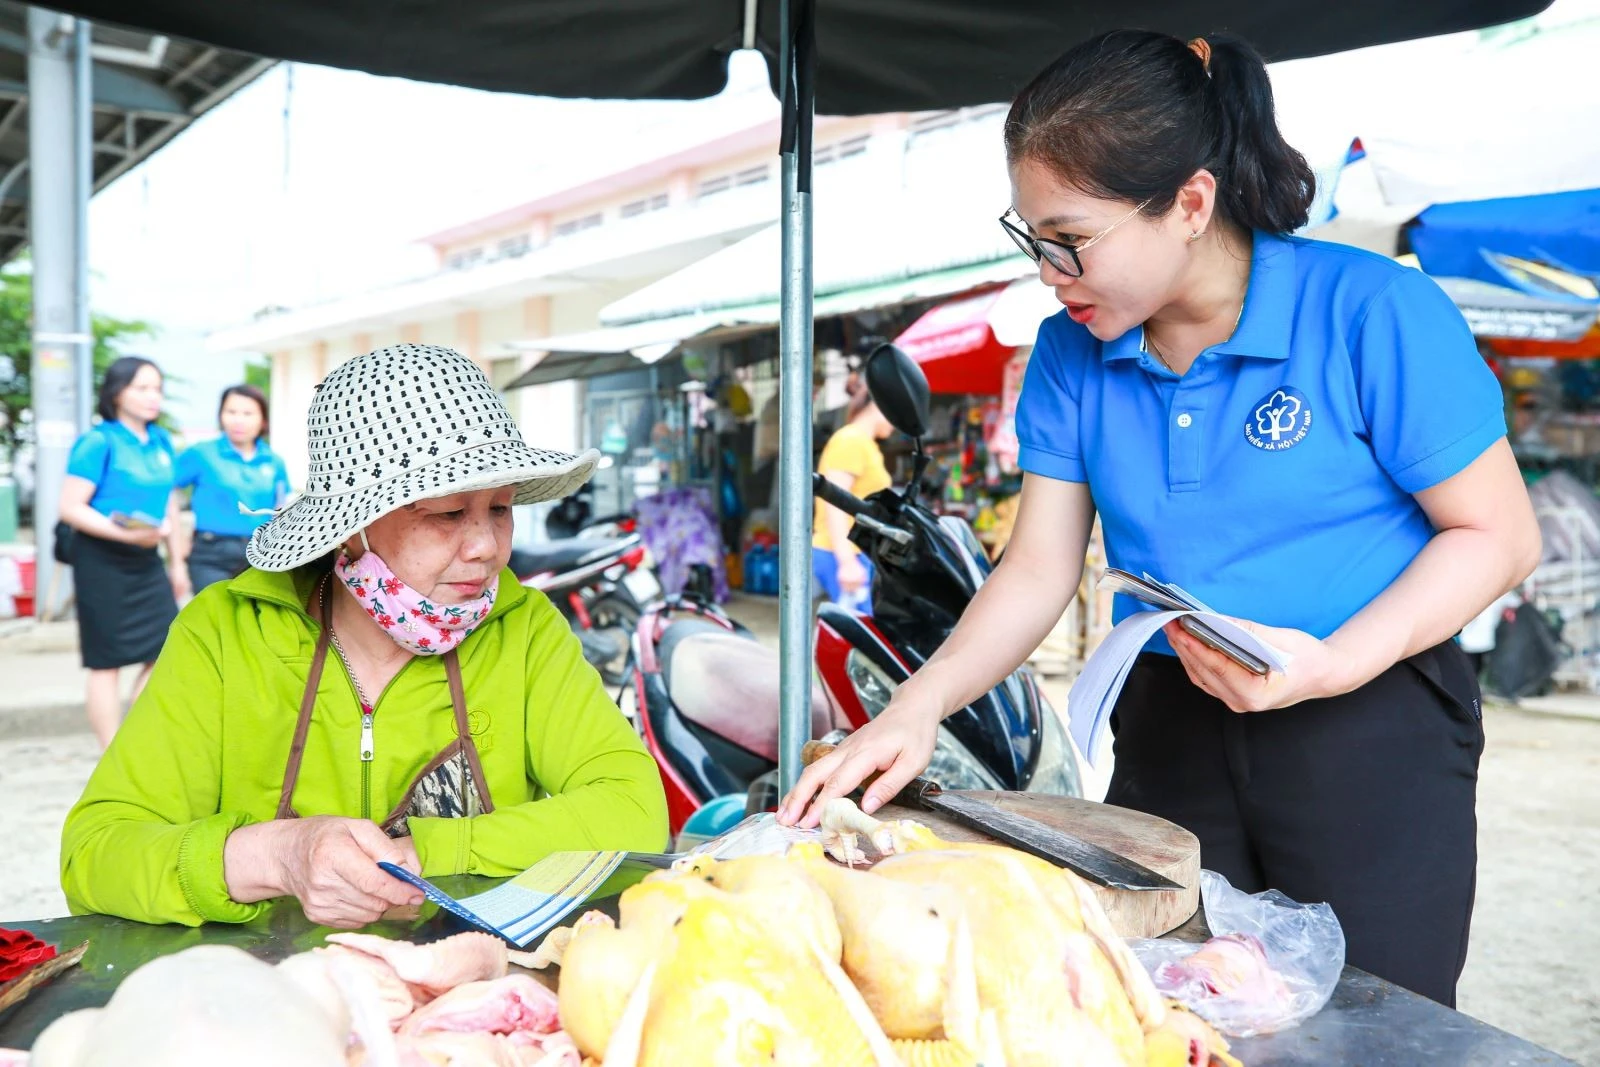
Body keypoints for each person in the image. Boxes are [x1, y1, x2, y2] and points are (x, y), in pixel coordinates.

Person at [781, 30, 1542, 1007]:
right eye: (1030, 238)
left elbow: (1496, 533)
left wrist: (1330, 662)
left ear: (1189, 202)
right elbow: (1036, 567)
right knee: (1161, 999)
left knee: (1370, 1018)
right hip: (1169, 713)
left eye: (1071, 238)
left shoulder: (1369, 310)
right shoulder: (1069, 354)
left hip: (1369, 716)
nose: (1051, 271)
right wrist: (914, 708)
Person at [61, 344, 669, 930]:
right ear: (350, 530)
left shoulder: (525, 628)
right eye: (449, 514)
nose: (486, 548)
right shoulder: (227, 631)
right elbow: (97, 853)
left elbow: (634, 809)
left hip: (460, 990)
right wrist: (276, 856)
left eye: (501, 510)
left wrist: (422, 853)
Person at [57, 357, 188, 748]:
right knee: (106, 661)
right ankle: (109, 753)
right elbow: (71, 507)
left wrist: (177, 560)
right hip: (101, 560)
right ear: (117, 392)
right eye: (142, 388)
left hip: (147, 560)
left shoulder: (162, 441)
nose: (153, 397)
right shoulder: (99, 441)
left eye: (158, 388)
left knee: (164, 650)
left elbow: (170, 506)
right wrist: (127, 536)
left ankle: (136, 742)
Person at [175, 384, 293, 594]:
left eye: (248, 413)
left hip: (259, 553)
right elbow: (166, 489)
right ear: (221, 415)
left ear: (262, 419)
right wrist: (178, 537)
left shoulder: (274, 462)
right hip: (211, 554)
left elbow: (281, 507)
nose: (239, 420)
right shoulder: (201, 453)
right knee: (213, 619)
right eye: (231, 412)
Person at [812, 381, 894, 610]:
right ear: (878, 406)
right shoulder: (851, 441)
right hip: (840, 551)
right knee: (862, 635)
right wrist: (846, 561)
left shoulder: (865, 443)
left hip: (858, 552)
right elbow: (834, 502)